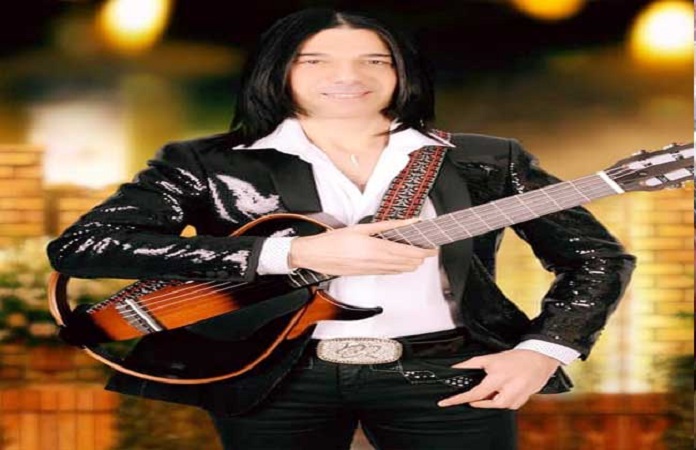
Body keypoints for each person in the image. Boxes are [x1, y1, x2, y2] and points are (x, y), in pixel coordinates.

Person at [46, 7, 636, 450]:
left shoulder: (485, 158)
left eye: (374, 60)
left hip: (450, 371)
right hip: (270, 375)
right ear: (279, 70)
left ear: (402, 71)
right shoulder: (206, 162)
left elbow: (596, 257)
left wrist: (541, 352)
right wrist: (293, 254)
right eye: (316, 60)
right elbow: (85, 246)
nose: (348, 76)